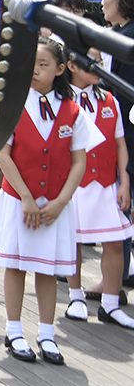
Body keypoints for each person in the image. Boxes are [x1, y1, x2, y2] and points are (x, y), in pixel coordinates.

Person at [0, 37, 99, 364]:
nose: (34, 71)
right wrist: (26, 197)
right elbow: (2, 154)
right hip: (19, 199)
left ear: (61, 69)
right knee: (17, 265)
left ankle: (47, 334)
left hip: (55, 205)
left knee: (47, 269)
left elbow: (79, 161)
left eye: (43, 64)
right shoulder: (12, 104)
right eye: (30, 64)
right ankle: (14, 330)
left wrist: (62, 201)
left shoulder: (74, 110)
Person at [65, 46, 134, 328]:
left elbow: (120, 143)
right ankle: (75, 296)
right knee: (73, 242)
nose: (98, 65)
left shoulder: (110, 100)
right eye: (91, 61)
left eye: (100, 60)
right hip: (73, 184)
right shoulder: (59, 100)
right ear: (70, 65)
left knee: (115, 243)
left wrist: (124, 180)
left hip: (106, 183)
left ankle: (110, 304)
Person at [100, 0, 134, 289]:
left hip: (127, 137)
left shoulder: (127, 38)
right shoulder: (121, 33)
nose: (102, 0)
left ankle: (116, 278)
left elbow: (124, 96)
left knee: (121, 203)